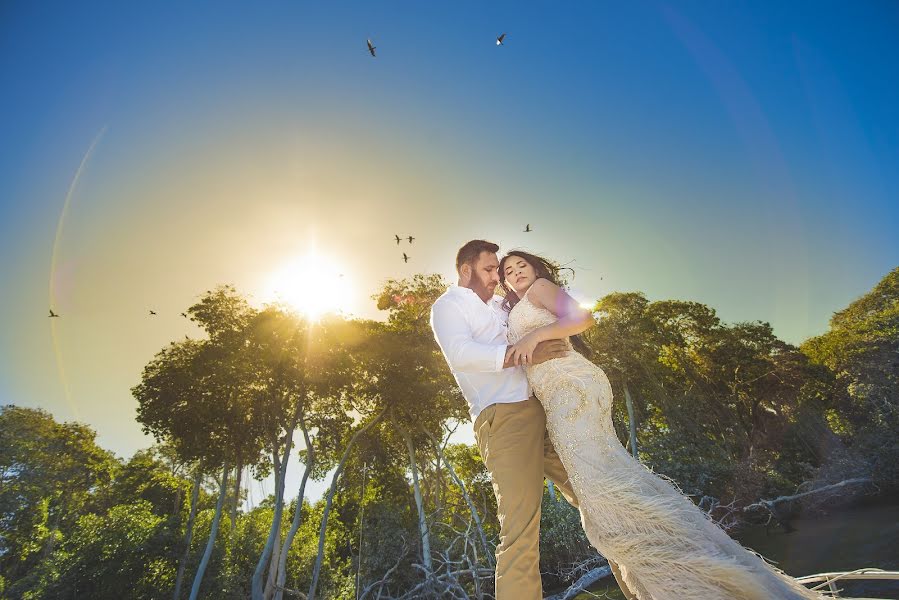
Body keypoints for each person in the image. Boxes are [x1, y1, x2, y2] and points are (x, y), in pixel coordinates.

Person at [499, 249, 826, 599]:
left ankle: (687, 575)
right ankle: (686, 569)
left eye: (522, 266)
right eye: (509, 270)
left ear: (536, 270)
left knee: (596, 486)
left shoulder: (540, 289)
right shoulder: (514, 308)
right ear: (503, 281)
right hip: (559, 393)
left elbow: (581, 316)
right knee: (603, 482)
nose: (517, 272)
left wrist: (534, 337)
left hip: (571, 388)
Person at [430, 240, 638, 600]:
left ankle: (647, 588)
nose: (498, 277)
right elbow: (462, 354)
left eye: (501, 269)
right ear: (466, 270)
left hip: (546, 409)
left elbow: (559, 314)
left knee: (600, 502)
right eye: (490, 269)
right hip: (504, 417)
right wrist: (523, 353)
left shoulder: (500, 304)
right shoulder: (448, 306)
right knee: (521, 529)